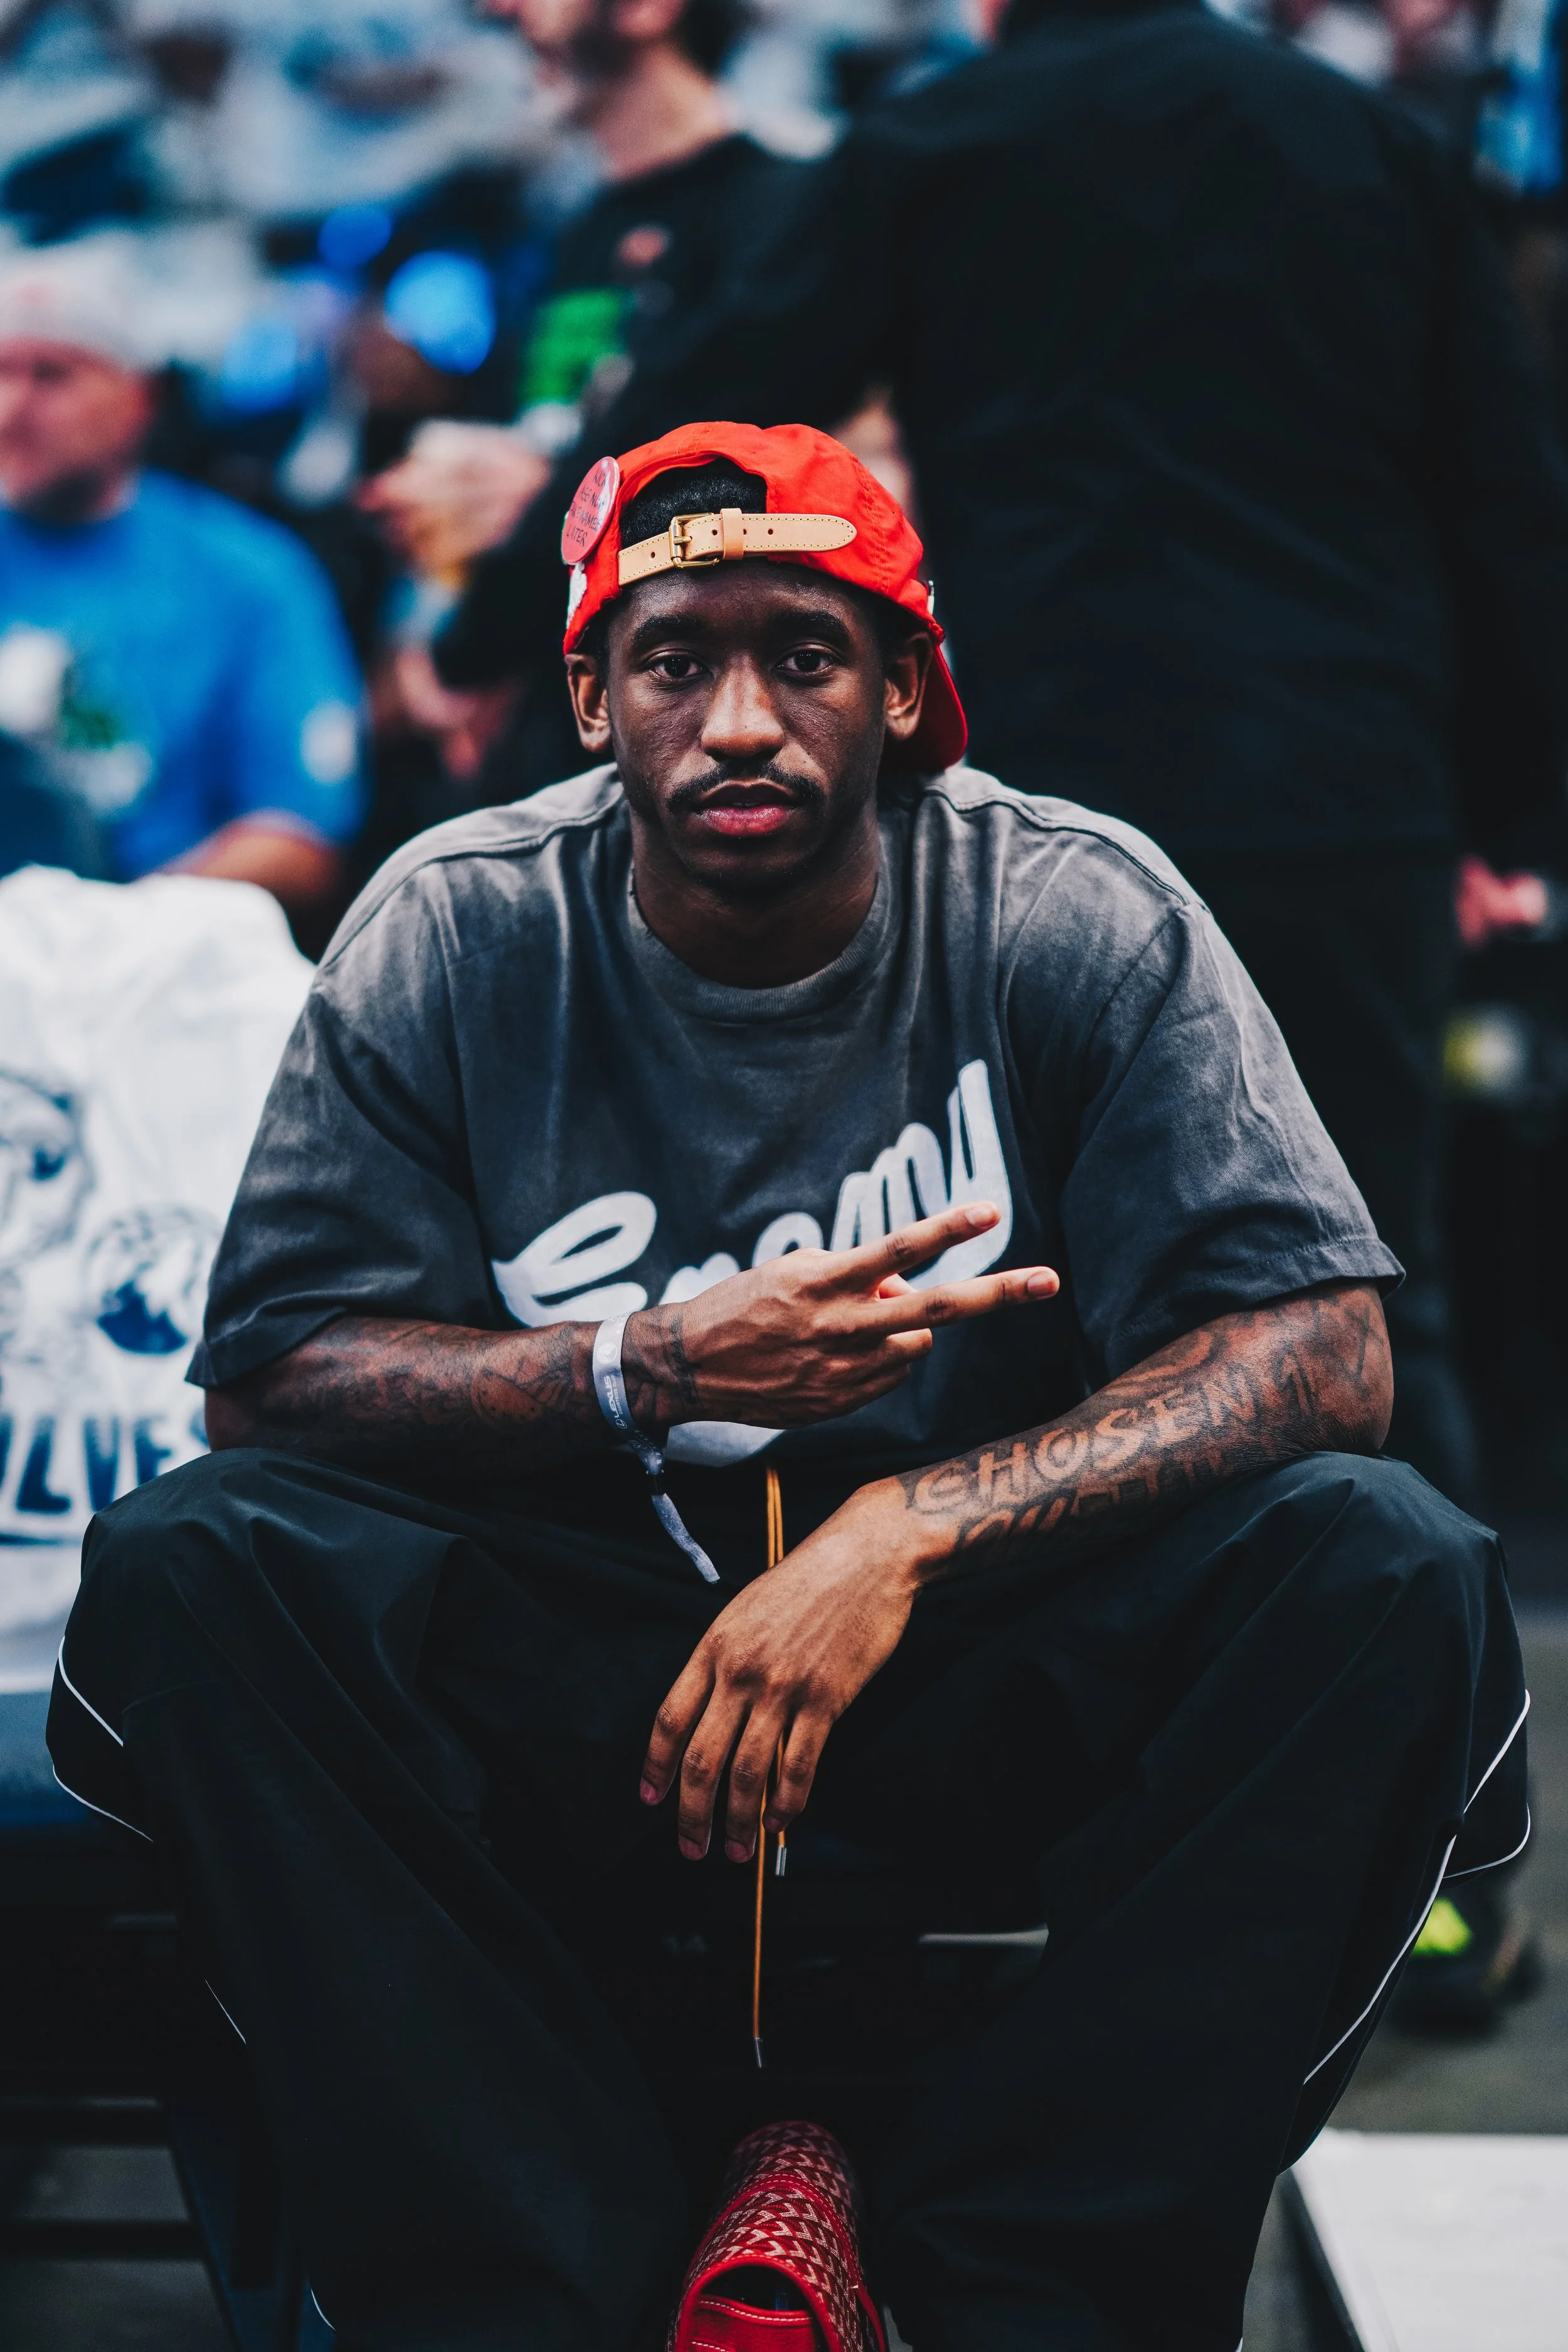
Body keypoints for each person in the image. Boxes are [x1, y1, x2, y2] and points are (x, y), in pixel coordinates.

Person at [50, 425, 1527, 2352]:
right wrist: (632, 1365)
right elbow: (270, 1383)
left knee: (1379, 1563)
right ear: (589, 696)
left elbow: (1316, 1350)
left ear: (904, 688)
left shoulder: (1067, 905)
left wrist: (909, 1523)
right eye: (674, 660)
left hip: (971, 1647)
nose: (737, 718)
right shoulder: (461, 917)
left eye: (804, 658)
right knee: (198, 1561)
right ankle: (543, 2282)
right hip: (585, 1660)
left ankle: (1010, 2281)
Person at [438, 0, 1568, 1517]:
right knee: (1359, 1279)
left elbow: (692, 423)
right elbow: (1507, 500)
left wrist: (486, 630)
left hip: (1058, 805)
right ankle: (1426, 1731)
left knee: (1048, 1283)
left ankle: (1082, 1728)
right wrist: (1508, 814)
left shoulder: (934, 142)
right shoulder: (1365, 138)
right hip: (1339, 787)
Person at [361, 0, 798, 793]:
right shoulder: (574, 235)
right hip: (552, 718)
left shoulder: (779, 214)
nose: (502, 11)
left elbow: (752, 482)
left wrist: (466, 642)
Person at [0, 240, 367, 919]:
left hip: (140, 961)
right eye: (1, 373)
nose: (12, 409)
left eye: (51, 376)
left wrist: (100, 934)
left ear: (138, 399)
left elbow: (298, 839)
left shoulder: (249, 576)